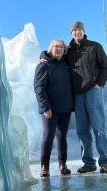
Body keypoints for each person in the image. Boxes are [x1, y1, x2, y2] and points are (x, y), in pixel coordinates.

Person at [67, 21, 107, 174]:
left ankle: (105, 162)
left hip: (93, 91)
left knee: (99, 127)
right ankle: (89, 163)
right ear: (71, 33)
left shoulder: (94, 46)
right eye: (74, 30)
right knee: (82, 130)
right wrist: (43, 56)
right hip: (77, 95)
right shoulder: (68, 51)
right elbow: (55, 56)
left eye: (79, 29)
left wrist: (99, 84)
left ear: (83, 31)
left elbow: (106, 67)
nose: (76, 32)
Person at [34, 39, 74, 178]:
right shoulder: (43, 65)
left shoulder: (66, 64)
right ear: (50, 49)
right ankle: (45, 167)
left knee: (62, 136)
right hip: (50, 108)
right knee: (48, 136)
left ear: (64, 50)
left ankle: (63, 165)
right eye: (55, 46)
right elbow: (39, 88)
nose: (58, 49)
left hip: (65, 108)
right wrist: (45, 107)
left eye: (61, 47)